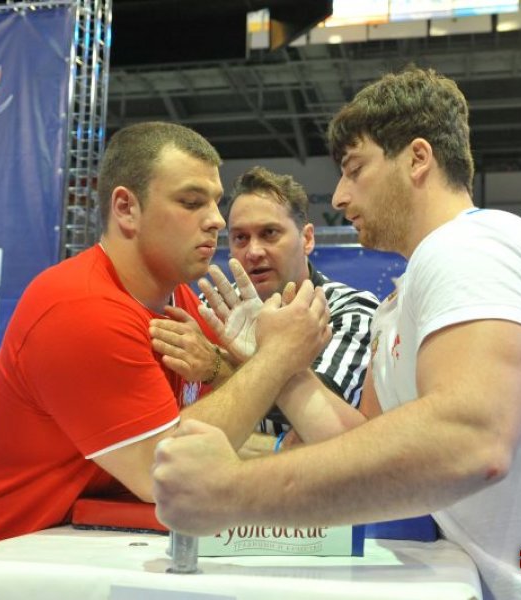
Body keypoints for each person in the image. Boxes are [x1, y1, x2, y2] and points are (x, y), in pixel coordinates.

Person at [151, 68, 521, 599]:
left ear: (417, 158)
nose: (341, 195)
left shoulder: (475, 245)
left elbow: (468, 441)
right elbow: (364, 444)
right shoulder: (400, 299)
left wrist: (231, 493)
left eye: (354, 167)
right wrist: (277, 366)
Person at [0, 122, 330, 555]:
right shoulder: (79, 307)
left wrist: (274, 436)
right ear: (126, 208)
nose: (217, 220)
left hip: (78, 560)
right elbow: (165, 473)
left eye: (216, 203)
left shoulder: (179, 298)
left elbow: (202, 431)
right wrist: (276, 358)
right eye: (192, 201)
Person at [150, 166, 379, 454]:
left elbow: (325, 415)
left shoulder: (351, 311)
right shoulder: (210, 310)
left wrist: (217, 368)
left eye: (269, 233)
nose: (253, 251)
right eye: (240, 238)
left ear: (307, 239)